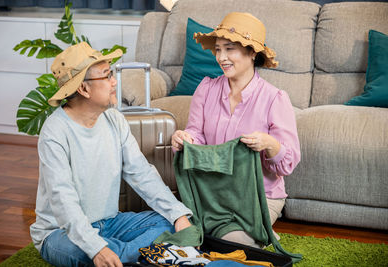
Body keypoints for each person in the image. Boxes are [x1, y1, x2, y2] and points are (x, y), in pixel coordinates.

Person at [30, 42, 192, 267]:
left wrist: (177, 214)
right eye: (106, 76)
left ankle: (117, 256)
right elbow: (62, 199)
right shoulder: (55, 131)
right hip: (61, 233)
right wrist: (95, 247)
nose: (114, 82)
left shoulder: (115, 120)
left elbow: (142, 173)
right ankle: (131, 255)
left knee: (169, 224)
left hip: (110, 223)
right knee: (84, 252)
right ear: (83, 89)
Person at [171, 12, 300, 247]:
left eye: (230, 49)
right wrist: (184, 138)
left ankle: (257, 232)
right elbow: (196, 136)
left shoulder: (274, 99)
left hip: (258, 198)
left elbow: (287, 164)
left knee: (227, 244)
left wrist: (269, 144)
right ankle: (259, 234)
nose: (221, 57)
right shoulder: (206, 89)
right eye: (218, 49)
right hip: (211, 193)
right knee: (179, 231)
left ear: (252, 52)